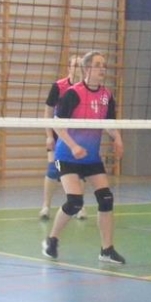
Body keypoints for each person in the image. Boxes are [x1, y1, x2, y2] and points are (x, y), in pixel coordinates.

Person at [42, 51, 126, 265]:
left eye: (104, 65)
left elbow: (109, 124)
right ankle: (52, 240)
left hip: (90, 158)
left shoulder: (107, 95)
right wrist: (74, 145)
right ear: (87, 69)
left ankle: (107, 250)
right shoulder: (73, 94)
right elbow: (56, 124)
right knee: (75, 202)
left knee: (106, 199)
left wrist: (117, 138)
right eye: (98, 65)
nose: (103, 68)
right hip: (66, 156)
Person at [40, 55, 86, 221]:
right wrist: (48, 136)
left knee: (79, 173)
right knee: (54, 170)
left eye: (81, 65)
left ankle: (79, 206)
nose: (78, 68)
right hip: (58, 135)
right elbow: (48, 112)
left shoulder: (86, 88)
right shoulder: (59, 86)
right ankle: (46, 206)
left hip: (78, 137)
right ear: (69, 68)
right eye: (75, 65)